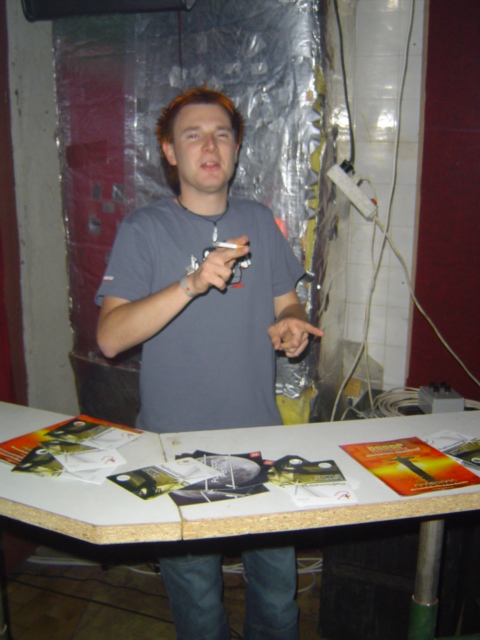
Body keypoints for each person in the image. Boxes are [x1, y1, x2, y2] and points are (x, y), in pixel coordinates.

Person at [96, 87, 323, 640]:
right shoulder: (144, 229)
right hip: (178, 449)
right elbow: (109, 338)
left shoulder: (259, 221)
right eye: (192, 135)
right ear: (170, 152)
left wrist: (292, 322)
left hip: (260, 441)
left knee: (278, 604)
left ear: (236, 149)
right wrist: (191, 284)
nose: (210, 146)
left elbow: (286, 301)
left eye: (222, 134)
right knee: (199, 611)